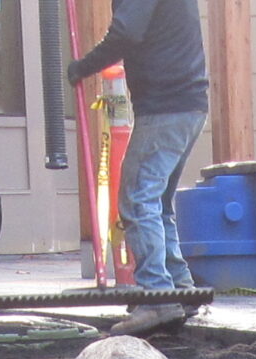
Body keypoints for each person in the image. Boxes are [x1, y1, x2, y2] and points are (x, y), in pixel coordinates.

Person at [67, 0, 210, 296]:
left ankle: (156, 294)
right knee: (156, 204)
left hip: (165, 108)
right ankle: (181, 289)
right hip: (187, 105)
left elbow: (126, 33)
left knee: (137, 201)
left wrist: (83, 67)